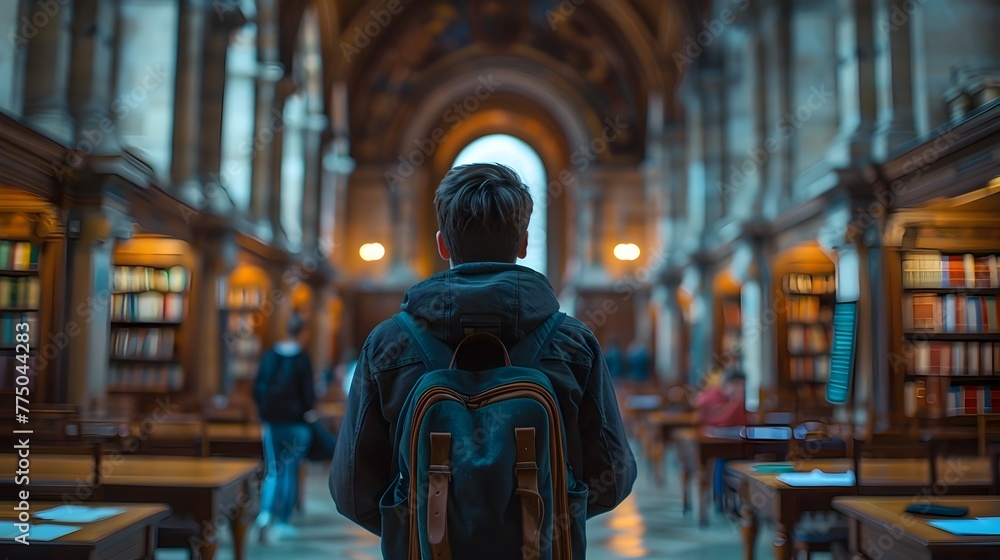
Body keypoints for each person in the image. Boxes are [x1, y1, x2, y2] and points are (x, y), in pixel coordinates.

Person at [330, 163, 636, 555]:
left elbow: (351, 491)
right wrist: (545, 515)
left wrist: (421, 527)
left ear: (443, 244)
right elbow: (614, 475)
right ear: (524, 243)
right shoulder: (574, 342)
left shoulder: (388, 343)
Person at [252, 313, 316, 542]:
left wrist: (263, 416)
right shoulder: (302, 359)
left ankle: (264, 514)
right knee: (290, 471)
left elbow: (258, 388)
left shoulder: (270, 356)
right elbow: (309, 394)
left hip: (272, 422)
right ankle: (283, 522)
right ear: (303, 332)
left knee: (272, 470)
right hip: (297, 424)